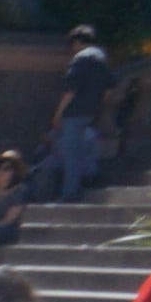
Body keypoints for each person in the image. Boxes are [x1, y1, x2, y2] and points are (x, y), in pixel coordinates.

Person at [49, 30, 116, 202]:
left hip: (74, 113)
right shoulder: (102, 59)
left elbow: (70, 91)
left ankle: (70, 193)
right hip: (91, 112)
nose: (72, 49)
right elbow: (109, 90)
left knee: (70, 154)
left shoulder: (80, 59)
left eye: (72, 45)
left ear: (78, 41)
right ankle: (80, 185)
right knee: (83, 151)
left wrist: (58, 113)